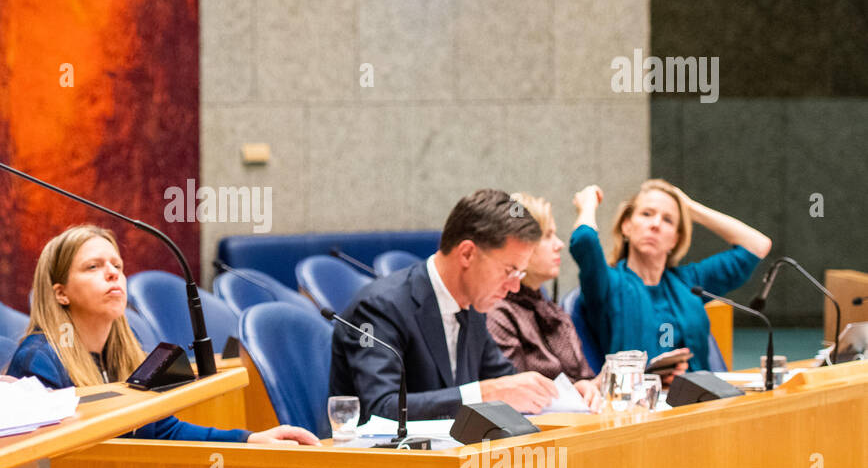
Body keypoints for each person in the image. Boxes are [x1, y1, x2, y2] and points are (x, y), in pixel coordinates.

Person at [8, 225, 319, 445]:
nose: (113, 273)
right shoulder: (40, 360)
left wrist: (250, 438)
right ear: (61, 294)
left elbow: (161, 431)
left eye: (117, 264)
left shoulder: (125, 353)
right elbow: (50, 459)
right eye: (93, 267)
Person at [329, 189, 561, 424]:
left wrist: (561, 395)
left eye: (520, 274)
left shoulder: (473, 307)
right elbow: (380, 408)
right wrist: (483, 395)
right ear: (468, 254)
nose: (513, 287)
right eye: (510, 271)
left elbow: (506, 381)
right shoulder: (379, 307)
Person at [570, 179, 771, 376]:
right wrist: (588, 204)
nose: (656, 224)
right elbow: (585, 240)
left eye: (668, 219)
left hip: (700, 401)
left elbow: (757, 246)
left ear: (675, 239)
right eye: (647, 214)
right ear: (627, 226)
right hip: (637, 403)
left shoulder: (689, 282)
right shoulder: (608, 283)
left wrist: (691, 209)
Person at [486, 193, 599, 405]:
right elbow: (515, 393)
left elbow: (584, 379)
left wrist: (593, 386)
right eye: (547, 236)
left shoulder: (552, 310)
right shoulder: (498, 312)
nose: (559, 245)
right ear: (519, 245)